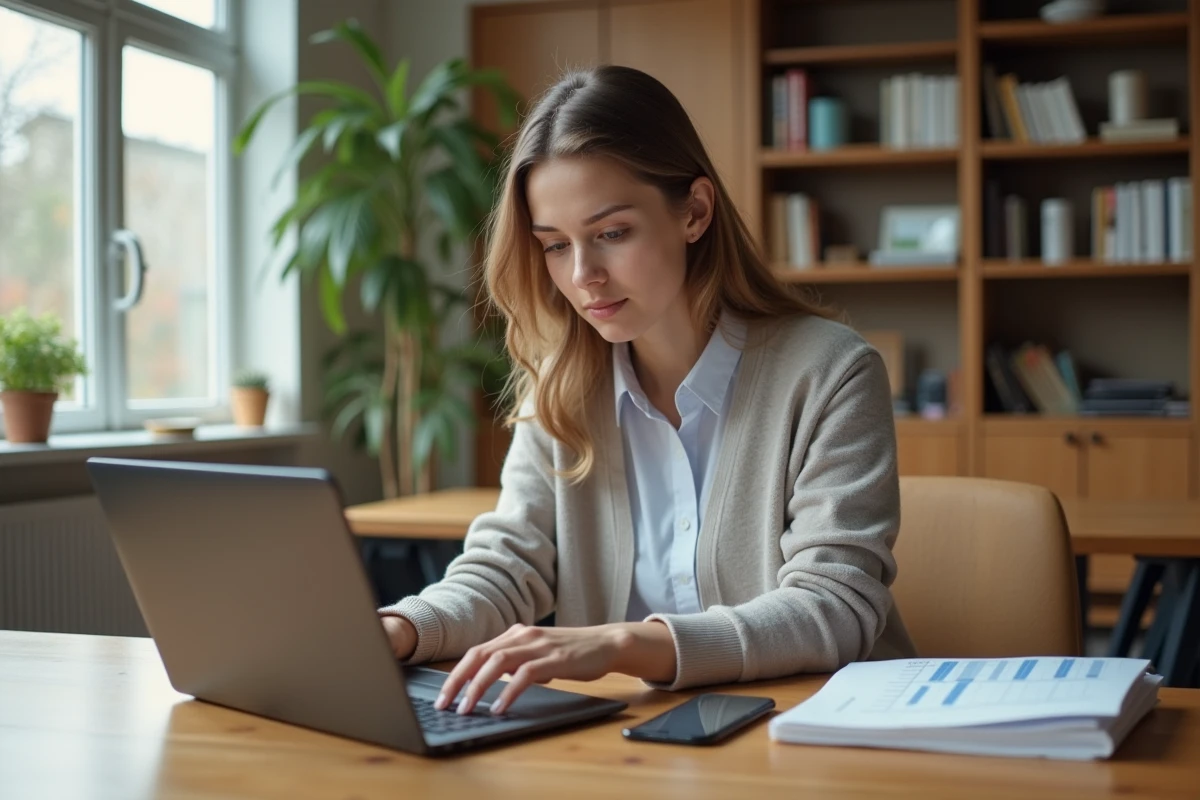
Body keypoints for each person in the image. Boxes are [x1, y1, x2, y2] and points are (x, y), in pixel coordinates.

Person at [378, 64, 916, 718]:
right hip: (629, 740)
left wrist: (622, 644)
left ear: (694, 212)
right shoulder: (561, 386)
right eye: (554, 246)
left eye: (611, 234)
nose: (583, 277)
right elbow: (505, 567)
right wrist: (401, 628)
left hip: (813, 731)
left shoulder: (829, 371)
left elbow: (835, 606)